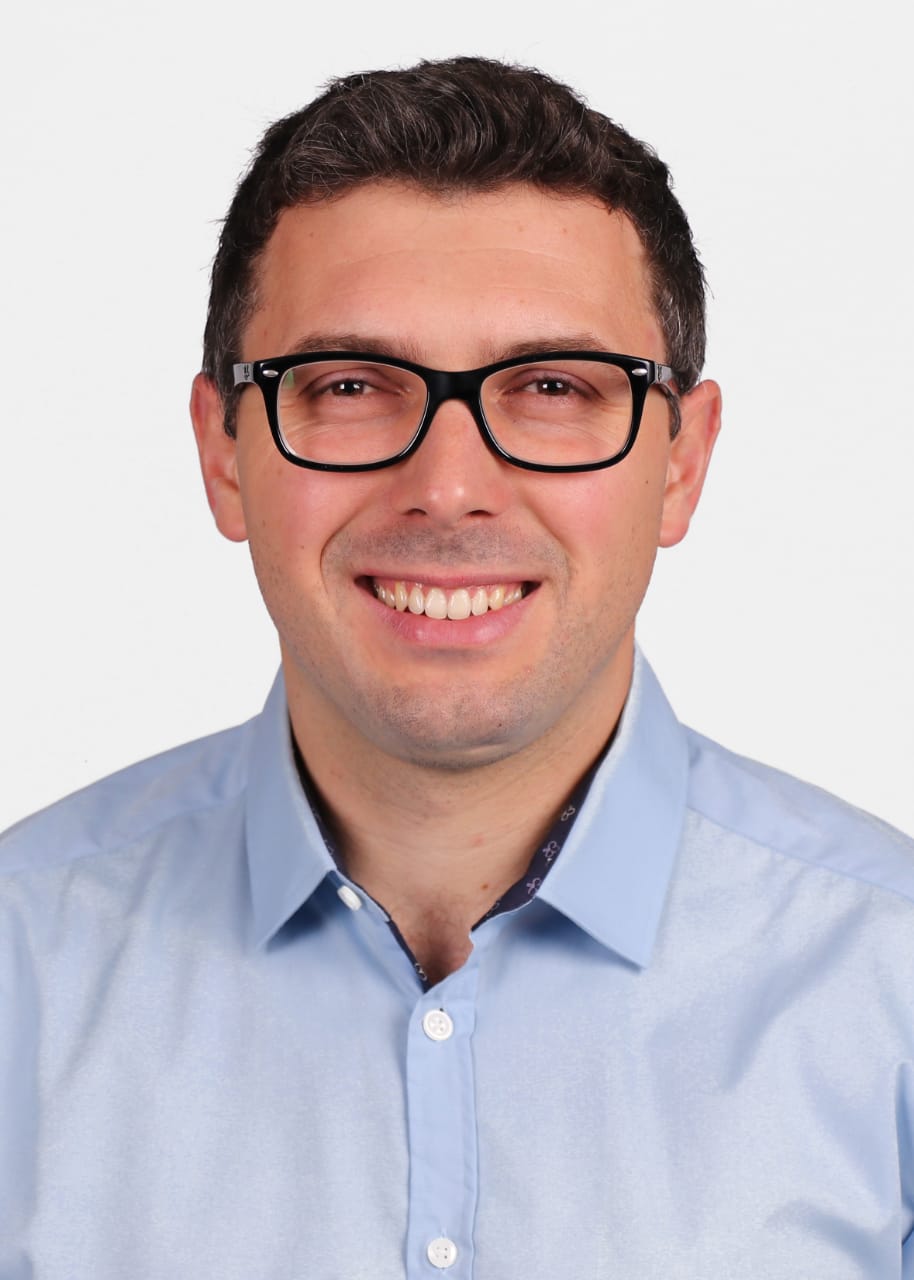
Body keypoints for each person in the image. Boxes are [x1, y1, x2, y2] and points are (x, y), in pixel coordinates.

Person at [1, 55, 912, 1279]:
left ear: (680, 463)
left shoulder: (888, 980)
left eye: (551, 386)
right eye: (347, 385)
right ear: (223, 454)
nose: (447, 486)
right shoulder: (20, 967)